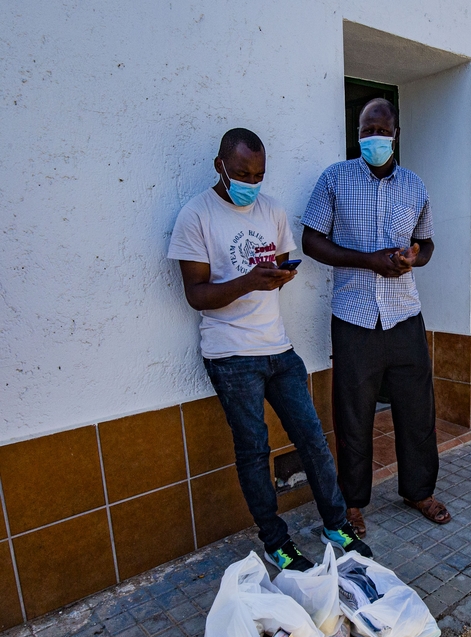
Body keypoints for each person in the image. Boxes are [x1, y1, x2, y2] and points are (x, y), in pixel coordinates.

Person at [170, 128, 371, 572]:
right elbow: (196, 294)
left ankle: (336, 525)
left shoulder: (272, 210)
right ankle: (275, 541)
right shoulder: (196, 216)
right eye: (242, 172)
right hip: (230, 355)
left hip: (279, 348)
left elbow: (279, 263)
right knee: (254, 451)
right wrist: (250, 280)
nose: (251, 182)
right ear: (219, 165)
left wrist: (278, 275)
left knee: (314, 439)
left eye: (259, 174)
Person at [301, 99, 449, 537]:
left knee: (417, 410)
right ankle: (352, 503)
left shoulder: (415, 185)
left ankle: (419, 491)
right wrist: (370, 260)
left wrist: (413, 256)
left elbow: (427, 244)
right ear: (358, 134)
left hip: (404, 314)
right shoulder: (335, 179)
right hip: (354, 316)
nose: (373, 139)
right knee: (353, 415)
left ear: (395, 134)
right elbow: (311, 240)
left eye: (381, 132)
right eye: (366, 131)